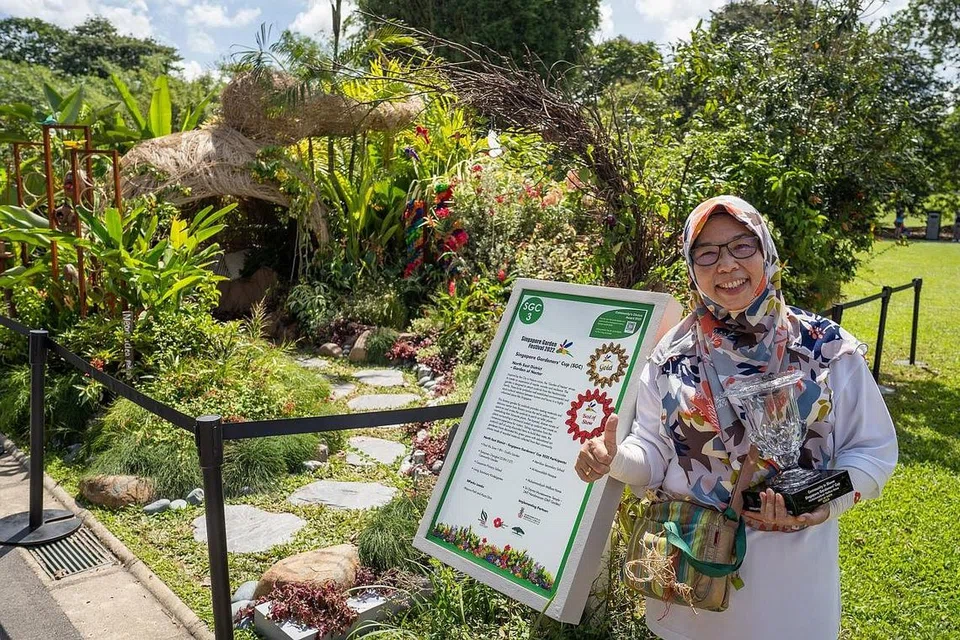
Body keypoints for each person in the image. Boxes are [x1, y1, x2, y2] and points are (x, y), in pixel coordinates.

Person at [576, 195, 898, 640]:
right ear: (691, 266)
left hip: (791, 580)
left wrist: (822, 503)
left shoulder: (824, 349)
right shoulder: (671, 355)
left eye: (741, 246)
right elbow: (651, 450)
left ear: (765, 249)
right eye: (706, 252)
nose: (725, 264)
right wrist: (614, 459)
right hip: (691, 570)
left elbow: (873, 451)